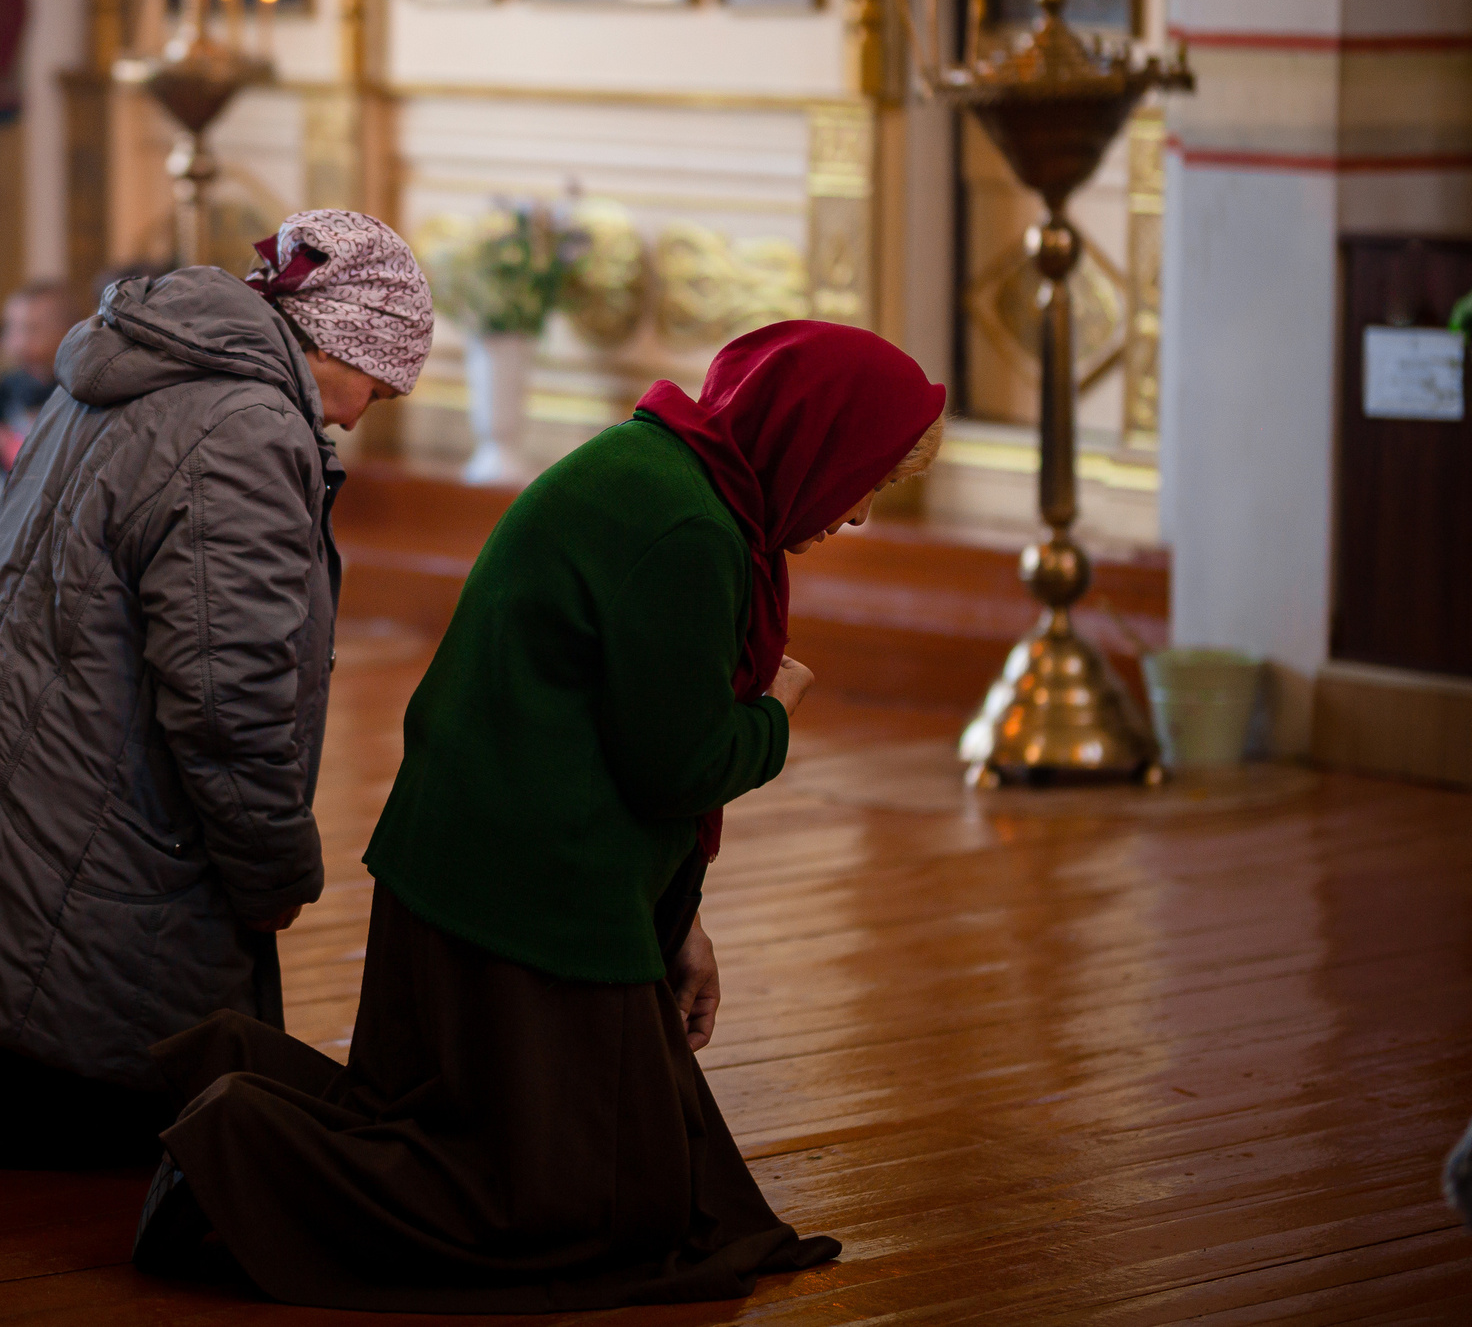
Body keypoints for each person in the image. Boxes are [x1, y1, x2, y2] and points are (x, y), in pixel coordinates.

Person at [136, 319, 947, 1311]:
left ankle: (238, 1116)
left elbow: (626, 734)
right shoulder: (692, 527)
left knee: (603, 1176)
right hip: (524, 895)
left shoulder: (661, 468)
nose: (858, 514)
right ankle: (231, 1147)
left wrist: (675, 920)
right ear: (814, 438)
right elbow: (677, 765)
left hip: (470, 869)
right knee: (571, 1215)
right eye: (866, 478)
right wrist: (777, 715)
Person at [0, 209, 434, 1168]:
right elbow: (229, 704)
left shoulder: (130, 363)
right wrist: (275, 868)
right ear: (334, 337)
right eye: (371, 388)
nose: (352, 416)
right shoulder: (250, 427)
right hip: (81, 821)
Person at [0, 280, 77, 556]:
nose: (17, 339)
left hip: (51, 485)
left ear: (66, 333)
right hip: (6, 478)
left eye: (30, 329)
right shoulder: (9, 383)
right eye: (12, 328)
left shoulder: (69, 387)